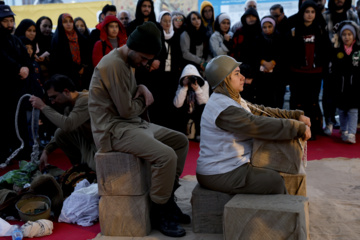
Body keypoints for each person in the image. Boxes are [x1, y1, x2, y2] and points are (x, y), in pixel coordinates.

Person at [88, 22, 189, 238]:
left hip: (130, 123)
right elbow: (126, 110)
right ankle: (160, 210)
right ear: (132, 47)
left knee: (180, 141)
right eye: (143, 58)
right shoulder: (113, 64)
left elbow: (131, 96)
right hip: (113, 129)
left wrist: (141, 88)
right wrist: (146, 99)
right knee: (166, 156)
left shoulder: (126, 60)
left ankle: (167, 198)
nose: (145, 63)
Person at [196, 55, 311, 195]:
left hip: (230, 166)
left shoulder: (231, 98)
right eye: (237, 74)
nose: (242, 77)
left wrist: (295, 116)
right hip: (220, 172)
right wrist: (296, 127)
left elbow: (261, 112)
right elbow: (256, 124)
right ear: (225, 80)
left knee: (277, 167)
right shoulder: (223, 108)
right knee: (275, 180)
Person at [29, 74, 97, 172]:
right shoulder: (69, 106)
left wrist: (43, 107)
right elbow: (63, 129)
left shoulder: (85, 99)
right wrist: (46, 150)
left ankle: (88, 169)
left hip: (102, 143)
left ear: (66, 92)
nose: (52, 102)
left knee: (95, 170)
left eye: (54, 97)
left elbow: (68, 125)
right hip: (89, 142)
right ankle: (80, 167)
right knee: (60, 133)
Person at [289, 1, 331, 140]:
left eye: (312, 12)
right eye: (307, 12)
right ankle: (297, 130)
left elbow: (326, 50)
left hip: (315, 73)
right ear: (302, 13)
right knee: (297, 102)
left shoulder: (320, 28)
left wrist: (323, 67)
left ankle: (312, 130)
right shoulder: (295, 29)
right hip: (297, 72)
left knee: (312, 101)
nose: (310, 15)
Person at [0, 4, 32, 162]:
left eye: (11, 20)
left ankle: (22, 152)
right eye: (5, 21)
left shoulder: (16, 40)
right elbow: (4, 60)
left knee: (19, 123)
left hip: (18, 91)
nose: (9, 24)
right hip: (3, 90)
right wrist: (18, 69)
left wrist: (25, 67)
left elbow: (26, 57)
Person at [322, 0, 358, 136]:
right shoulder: (326, 15)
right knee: (328, 91)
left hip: (349, 59)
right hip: (330, 58)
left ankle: (349, 126)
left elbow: (358, 36)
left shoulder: (352, 14)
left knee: (348, 92)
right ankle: (329, 122)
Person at [330, 21, 360, 143]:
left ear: (354, 36)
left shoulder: (358, 50)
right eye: (344, 35)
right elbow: (334, 68)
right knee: (342, 110)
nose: (347, 37)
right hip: (341, 86)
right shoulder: (337, 50)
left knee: (353, 110)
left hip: (355, 86)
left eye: (349, 34)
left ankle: (352, 133)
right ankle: (344, 130)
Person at [50, 13, 92, 90]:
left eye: (70, 21)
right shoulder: (57, 40)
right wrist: (77, 68)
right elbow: (59, 61)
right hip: (66, 76)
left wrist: (83, 67)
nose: (68, 24)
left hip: (84, 74)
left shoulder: (81, 37)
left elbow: (87, 54)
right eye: (65, 22)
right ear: (60, 24)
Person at [255, 15, 286, 108]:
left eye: (269, 26)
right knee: (264, 102)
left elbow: (283, 54)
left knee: (277, 102)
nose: (267, 29)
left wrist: (272, 63)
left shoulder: (280, 38)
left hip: (278, 76)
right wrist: (264, 63)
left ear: (274, 26)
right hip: (262, 76)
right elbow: (254, 54)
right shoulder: (257, 39)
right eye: (264, 27)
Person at [173, 64, 209, 141]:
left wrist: (197, 89)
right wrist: (184, 87)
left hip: (197, 113)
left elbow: (205, 103)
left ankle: (199, 133)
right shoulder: (181, 84)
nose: (190, 80)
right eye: (188, 77)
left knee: (203, 109)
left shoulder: (204, 84)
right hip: (184, 113)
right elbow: (177, 104)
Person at [180, 11, 211, 76]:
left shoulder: (205, 32)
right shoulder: (186, 33)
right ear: (189, 21)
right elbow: (185, 53)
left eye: (198, 18)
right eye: (194, 19)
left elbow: (208, 51)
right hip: (190, 67)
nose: (197, 21)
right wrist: (200, 62)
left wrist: (206, 64)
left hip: (204, 68)